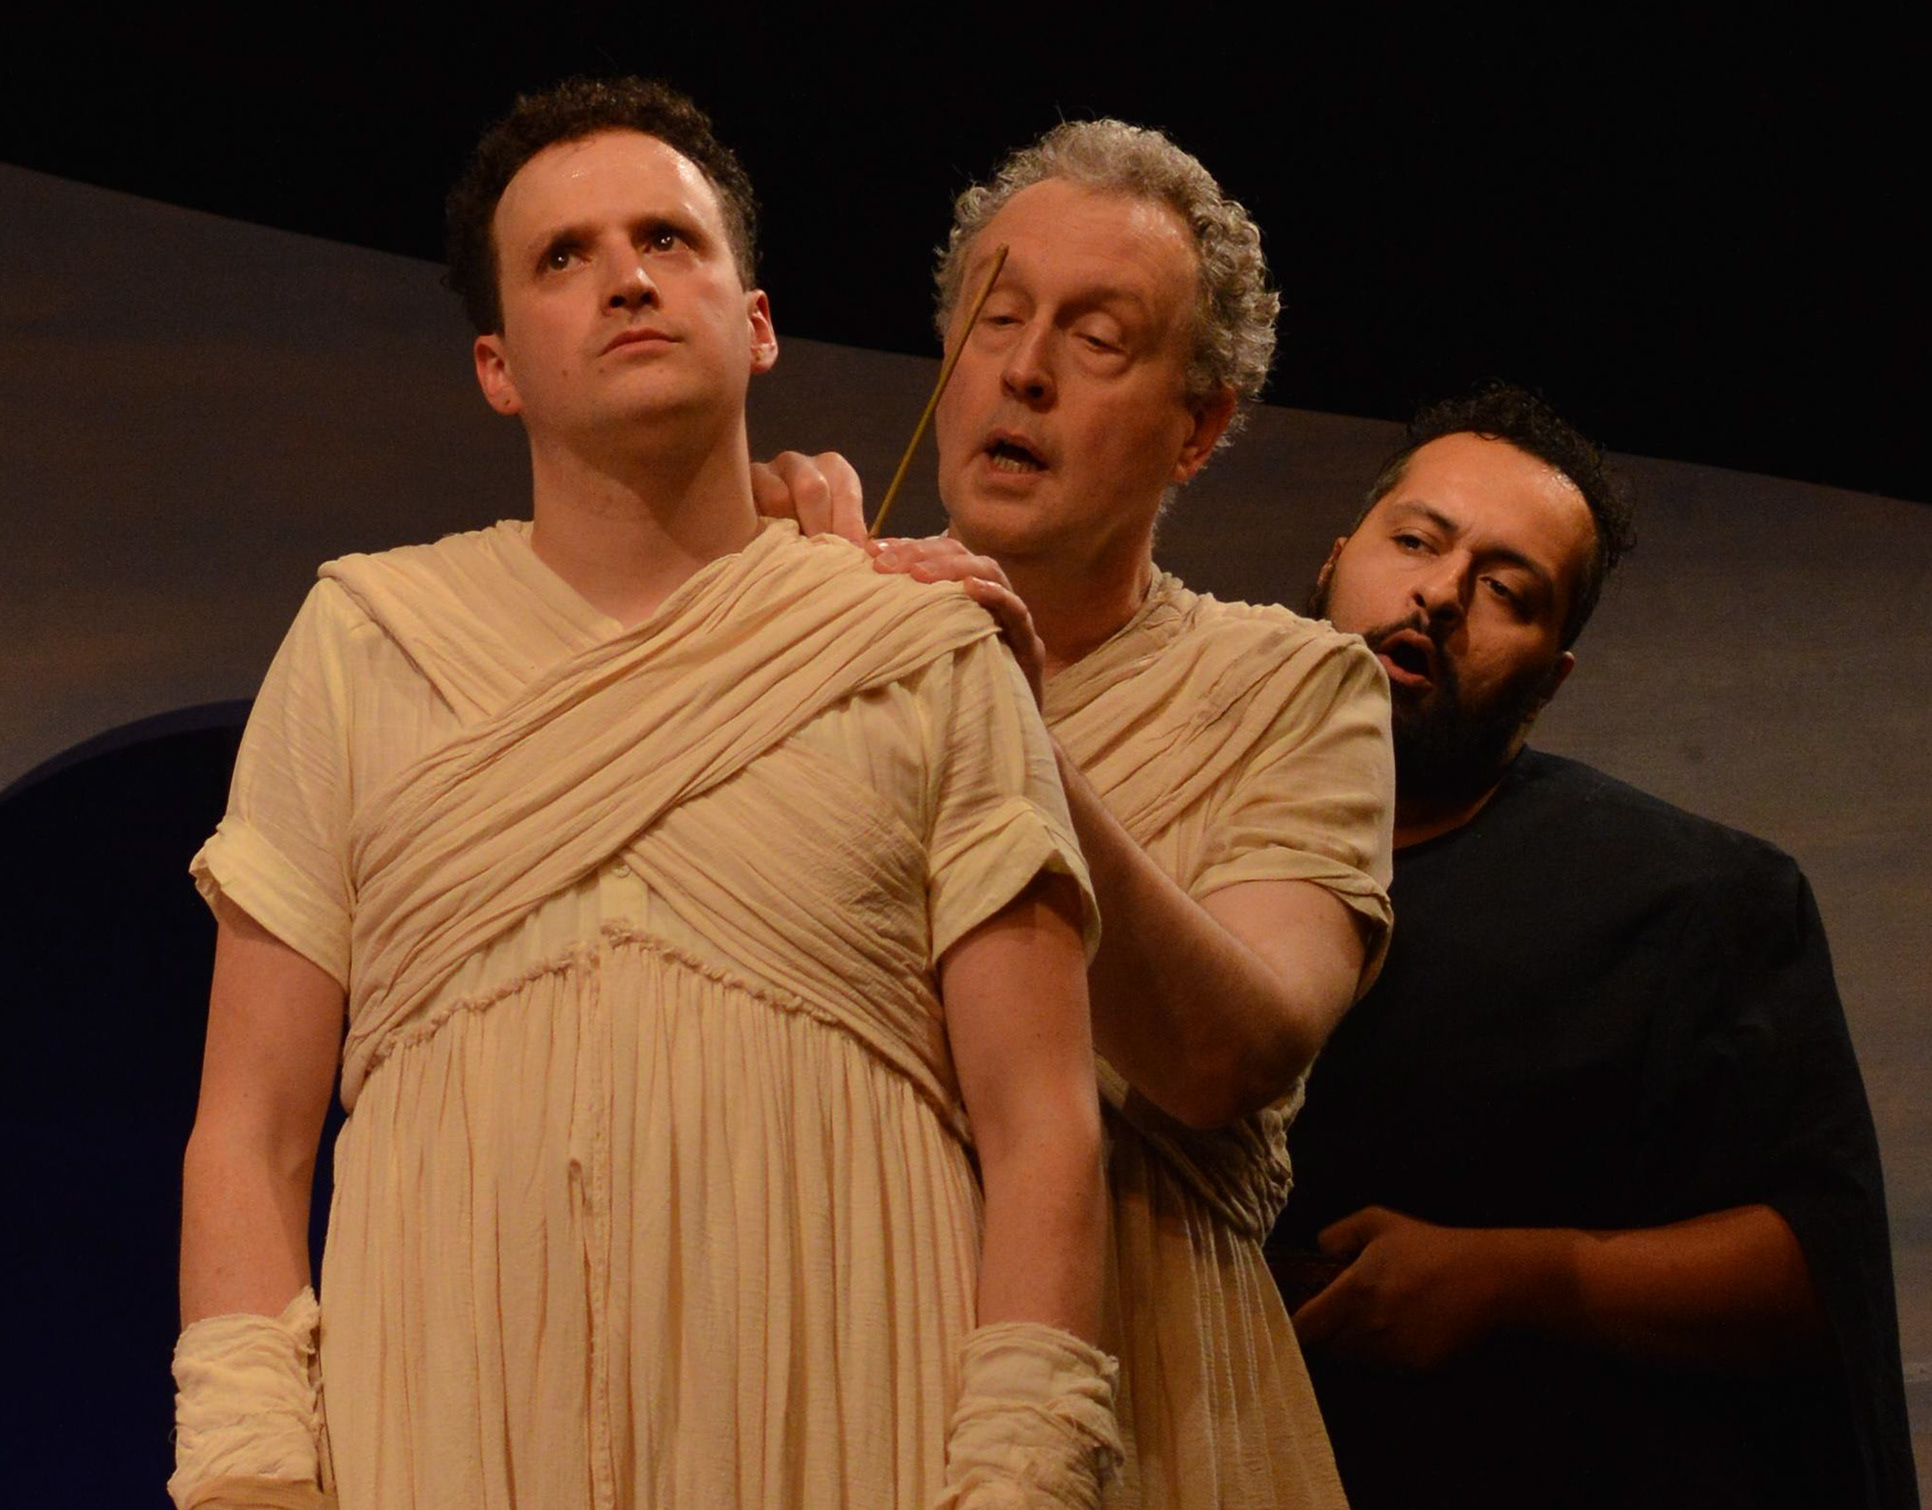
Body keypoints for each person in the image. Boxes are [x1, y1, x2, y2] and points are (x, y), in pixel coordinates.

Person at [170, 78, 1123, 1510]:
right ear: (498, 366)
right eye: (564, 256)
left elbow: (1044, 1121)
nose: (625, 277)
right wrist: (250, 1477)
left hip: (850, 1423)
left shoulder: (922, 650)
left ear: (757, 321)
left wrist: (1023, 1477)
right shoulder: (367, 643)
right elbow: (250, 1132)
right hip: (442, 1429)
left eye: (668, 240)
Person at [765, 120, 1395, 1508]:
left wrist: (1011, 729)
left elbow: (1229, 1053)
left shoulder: (1295, 687)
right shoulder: (806, 629)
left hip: (1148, 1410)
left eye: (1098, 338)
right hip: (817, 1386)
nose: (1025, 369)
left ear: (1198, 428)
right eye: (996, 321)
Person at [1270, 383, 1918, 1508]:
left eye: (1507, 589)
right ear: (1332, 564)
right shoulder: (1161, 824)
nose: (1440, 592)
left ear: (1551, 675)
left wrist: (1514, 1275)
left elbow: (1818, 1268)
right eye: (1415, 541)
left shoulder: (1692, 900)